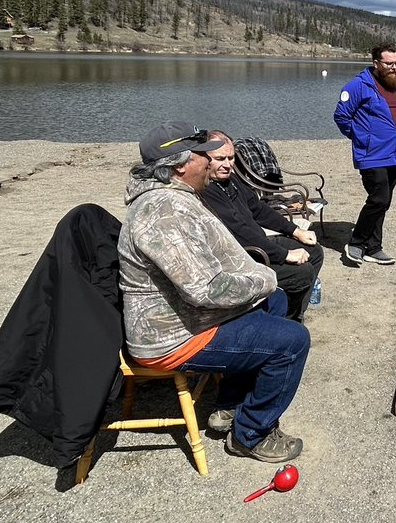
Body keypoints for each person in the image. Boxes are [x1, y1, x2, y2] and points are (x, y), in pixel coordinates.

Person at [117, 121, 310, 462]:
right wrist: (264, 278)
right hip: (172, 337)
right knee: (292, 341)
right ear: (180, 166)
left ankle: (231, 404)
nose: (211, 163)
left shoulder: (177, 198)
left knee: (275, 302)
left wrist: (260, 282)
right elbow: (204, 290)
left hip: (189, 317)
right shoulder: (163, 212)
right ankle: (251, 435)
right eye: (203, 156)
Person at [200, 131, 325, 321]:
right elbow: (239, 233)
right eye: (220, 159)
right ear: (204, 159)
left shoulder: (230, 180)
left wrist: (295, 231)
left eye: (231, 157)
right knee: (302, 273)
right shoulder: (207, 189)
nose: (227, 164)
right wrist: (285, 255)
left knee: (314, 251)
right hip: (243, 256)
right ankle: (283, 322)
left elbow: (259, 209)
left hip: (259, 243)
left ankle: (294, 314)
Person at [333, 43, 396, 266]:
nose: (393, 67)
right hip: (371, 154)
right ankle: (356, 242)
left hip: (393, 153)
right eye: (389, 63)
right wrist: (361, 137)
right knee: (379, 198)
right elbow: (341, 116)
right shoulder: (358, 86)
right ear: (376, 63)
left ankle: (374, 248)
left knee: (383, 202)